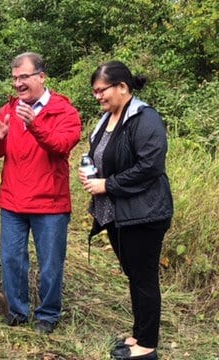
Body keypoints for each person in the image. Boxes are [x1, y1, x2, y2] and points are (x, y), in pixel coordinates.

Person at [81, 61, 172, 360]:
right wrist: (91, 173)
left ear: (122, 87)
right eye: (94, 92)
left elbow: (150, 166)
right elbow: (105, 156)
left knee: (144, 278)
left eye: (101, 90)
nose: (98, 96)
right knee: (134, 275)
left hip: (145, 214)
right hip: (119, 215)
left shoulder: (145, 118)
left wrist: (108, 184)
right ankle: (138, 334)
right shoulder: (108, 117)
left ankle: (147, 346)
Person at [0, 52, 81, 333]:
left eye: (24, 77)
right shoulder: (9, 109)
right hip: (13, 201)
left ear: (41, 76)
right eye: (15, 78)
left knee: (51, 264)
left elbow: (63, 145)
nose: (18, 84)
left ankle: (48, 315)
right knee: (12, 259)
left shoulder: (64, 111)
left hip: (50, 204)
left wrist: (34, 125)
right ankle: (16, 311)